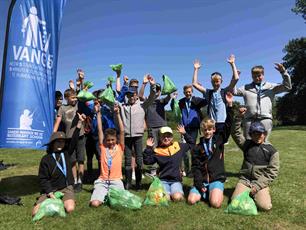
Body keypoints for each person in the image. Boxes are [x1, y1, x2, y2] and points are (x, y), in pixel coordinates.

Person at [32, 113, 85, 216]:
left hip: (66, 188)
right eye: (57, 142)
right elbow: (43, 179)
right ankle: (55, 201)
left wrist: (79, 123)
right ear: (52, 143)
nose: (60, 144)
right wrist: (50, 193)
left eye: (62, 142)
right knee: (35, 212)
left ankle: (66, 200)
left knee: (70, 209)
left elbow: (74, 140)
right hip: (50, 190)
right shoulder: (46, 159)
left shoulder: (66, 154)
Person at [188, 92, 233, 208]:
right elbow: (195, 167)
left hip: (216, 179)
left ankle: (213, 192)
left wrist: (230, 106)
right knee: (191, 200)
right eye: (205, 130)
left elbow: (228, 126)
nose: (207, 132)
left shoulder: (219, 140)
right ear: (202, 131)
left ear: (214, 130)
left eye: (210, 129)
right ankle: (206, 192)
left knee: (215, 204)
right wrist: (198, 184)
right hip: (202, 181)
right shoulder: (197, 147)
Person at [231, 107, 280, 211]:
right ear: (250, 134)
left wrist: (257, 187)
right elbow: (235, 133)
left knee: (265, 207)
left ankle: (260, 192)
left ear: (265, 134)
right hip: (245, 180)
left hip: (259, 181)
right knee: (234, 203)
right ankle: (249, 193)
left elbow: (272, 172)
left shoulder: (272, 151)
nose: (258, 136)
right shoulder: (246, 144)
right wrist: (239, 117)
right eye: (254, 133)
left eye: (260, 133)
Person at [233, 63, 291, 140]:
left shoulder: (271, 87)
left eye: (259, 76)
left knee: (263, 144)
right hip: (249, 120)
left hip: (265, 119)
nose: (257, 78)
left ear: (263, 75)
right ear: (251, 76)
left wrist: (283, 72)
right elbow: (233, 92)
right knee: (248, 144)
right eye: (254, 76)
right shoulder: (246, 88)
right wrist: (234, 79)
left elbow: (287, 87)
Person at [118, 77, 156, 190]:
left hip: (138, 136)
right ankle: (128, 183)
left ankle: (138, 183)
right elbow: (113, 102)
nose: (132, 97)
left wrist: (152, 86)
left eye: (133, 95)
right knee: (128, 160)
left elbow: (152, 97)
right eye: (129, 95)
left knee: (139, 160)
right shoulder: (123, 106)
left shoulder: (142, 105)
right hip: (127, 137)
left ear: (136, 95)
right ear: (127, 96)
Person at [143, 126, 195, 201]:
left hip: (176, 181)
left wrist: (184, 133)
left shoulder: (178, 146)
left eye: (168, 136)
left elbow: (192, 143)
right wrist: (148, 148)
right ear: (160, 138)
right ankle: (167, 194)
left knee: (177, 197)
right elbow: (147, 161)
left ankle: (174, 193)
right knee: (165, 198)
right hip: (163, 180)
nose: (166, 138)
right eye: (163, 136)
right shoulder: (157, 151)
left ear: (172, 137)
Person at [192, 55, 239, 136]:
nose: (215, 83)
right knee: (211, 146)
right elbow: (194, 84)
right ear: (211, 82)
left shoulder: (225, 91)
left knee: (220, 146)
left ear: (221, 81)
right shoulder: (208, 92)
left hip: (223, 123)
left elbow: (236, 78)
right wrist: (196, 69)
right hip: (211, 124)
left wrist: (232, 64)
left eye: (217, 81)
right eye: (213, 81)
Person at [90, 103, 125, 207]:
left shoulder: (120, 148)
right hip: (103, 181)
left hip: (116, 180)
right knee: (95, 204)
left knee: (119, 203)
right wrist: (98, 113)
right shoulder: (103, 148)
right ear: (105, 140)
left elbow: (122, 131)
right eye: (108, 140)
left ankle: (109, 195)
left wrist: (117, 114)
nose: (110, 142)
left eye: (113, 140)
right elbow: (100, 130)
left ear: (116, 140)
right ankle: (104, 195)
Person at [53, 88, 86, 192]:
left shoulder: (78, 105)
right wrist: (53, 133)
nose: (74, 99)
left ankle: (80, 182)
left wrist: (79, 82)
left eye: (75, 97)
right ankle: (74, 181)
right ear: (66, 98)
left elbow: (82, 93)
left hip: (80, 136)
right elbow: (58, 120)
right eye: (72, 97)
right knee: (72, 161)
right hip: (69, 138)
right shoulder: (62, 108)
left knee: (80, 160)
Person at [140, 74, 172, 176]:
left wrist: (169, 89)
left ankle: (163, 168)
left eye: (159, 90)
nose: (157, 92)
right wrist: (147, 84)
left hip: (163, 127)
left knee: (163, 146)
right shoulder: (147, 100)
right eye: (155, 89)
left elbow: (169, 95)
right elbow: (140, 96)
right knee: (153, 148)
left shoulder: (162, 101)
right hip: (152, 128)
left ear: (160, 91)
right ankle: (153, 170)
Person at [176, 84, 207, 177]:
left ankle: (193, 170)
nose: (188, 93)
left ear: (192, 92)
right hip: (184, 128)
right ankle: (186, 169)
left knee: (192, 149)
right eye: (186, 92)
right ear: (184, 93)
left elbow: (206, 101)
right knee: (184, 150)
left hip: (194, 128)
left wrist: (202, 91)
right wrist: (173, 98)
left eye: (189, 92)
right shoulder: (181, 102)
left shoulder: (196, 100)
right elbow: (174, 108)